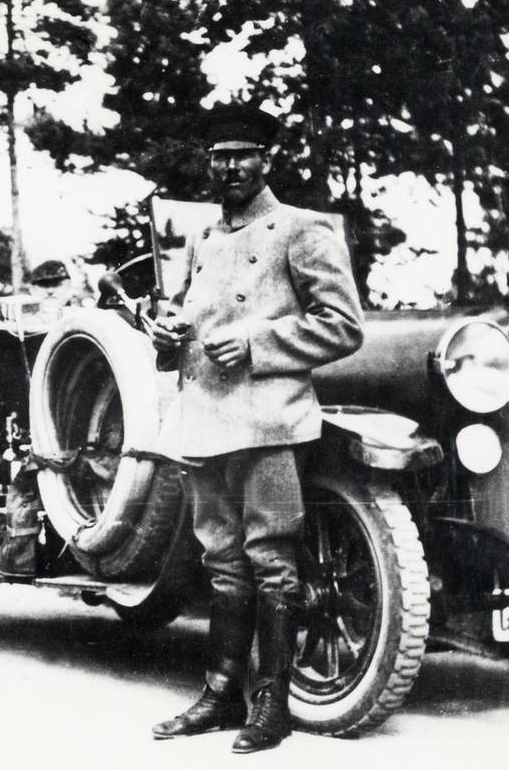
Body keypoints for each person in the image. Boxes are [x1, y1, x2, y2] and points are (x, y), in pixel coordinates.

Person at [149, 103, 364, 753]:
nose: (230, 167)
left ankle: (272, 704)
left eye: (243, 155)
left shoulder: (301, 229)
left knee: (272, 561)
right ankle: (221, 694)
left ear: (267, 160)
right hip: (204, 421)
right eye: (220, 157)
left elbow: (344, 326)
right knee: (222, 561)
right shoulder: (201, 239)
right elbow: (186, 321)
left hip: (269, 420)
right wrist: (166, 338)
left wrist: (256, 342)